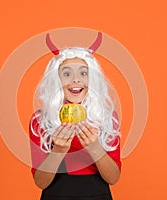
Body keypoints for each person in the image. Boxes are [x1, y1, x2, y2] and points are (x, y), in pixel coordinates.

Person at [29, 32, 122, 200]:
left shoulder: (107, 118)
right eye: (66, 74)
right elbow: (40, 182)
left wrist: (94, 147)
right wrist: (59, 150)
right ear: (56, 80)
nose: (75, 80)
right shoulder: (41, 120)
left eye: (83, 73)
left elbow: (113, 177)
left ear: (92, 79)